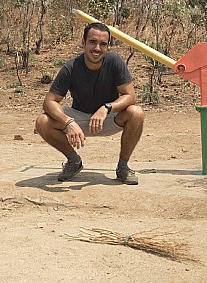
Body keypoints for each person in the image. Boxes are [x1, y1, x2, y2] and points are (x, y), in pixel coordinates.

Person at [35, 22, 144, 185]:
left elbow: (130, 96)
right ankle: (73, 161)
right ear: (83, 43)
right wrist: (68, 122)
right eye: (92, 42)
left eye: (103, 44)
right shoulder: (71, 67)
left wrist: (106, 107)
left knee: (136, 113)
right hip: (79, 121)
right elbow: (49, 102)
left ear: (108, 46)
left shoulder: (114, 62)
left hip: (108, 119)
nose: (97, 48)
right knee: (42, 121)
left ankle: (123, 168)